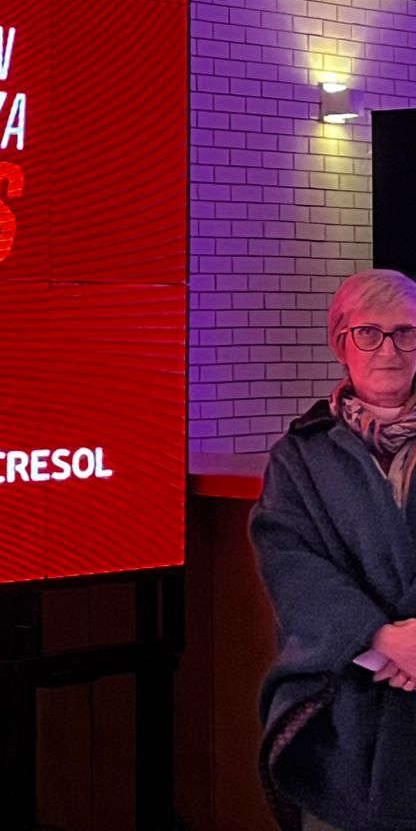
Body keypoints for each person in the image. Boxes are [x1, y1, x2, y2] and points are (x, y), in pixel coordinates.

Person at [253, 268, 416, 831]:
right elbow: (291, 565)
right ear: (340, 343)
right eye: (369, 333)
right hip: (344, 710)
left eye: (405, 332)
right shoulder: (299, 456)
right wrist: (384, 639)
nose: (389, 349)